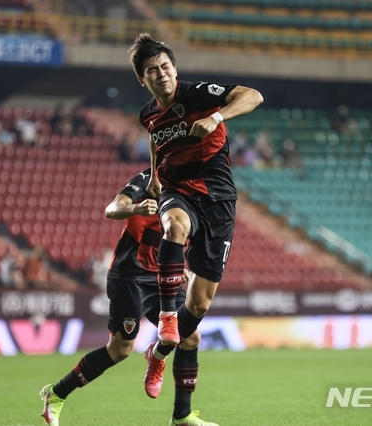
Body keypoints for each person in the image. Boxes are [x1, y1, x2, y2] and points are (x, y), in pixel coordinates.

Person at [39, 168, 216, 426]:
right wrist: (136, 209)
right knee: (120, 350)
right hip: (130, 275)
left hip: (163, 278)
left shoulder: (195, 188)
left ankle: (182, 416)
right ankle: (56, 394)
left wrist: (184, 267)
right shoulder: (148, 180)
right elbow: (112, 209)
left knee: (190, 337)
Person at [128, 33, 263, 351]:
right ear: (141, 79)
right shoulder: (147, 114)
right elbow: (155, 135)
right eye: (152, 70)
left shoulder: (198, 94)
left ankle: (158, 353)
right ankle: (166, 317)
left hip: (218, 198)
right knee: (175, 226)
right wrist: (154, 173)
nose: (161, 73)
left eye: (165, 66)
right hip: (178, 190)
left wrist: (216, 117)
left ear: (175, 69)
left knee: (200, 305)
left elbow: (254, 96)